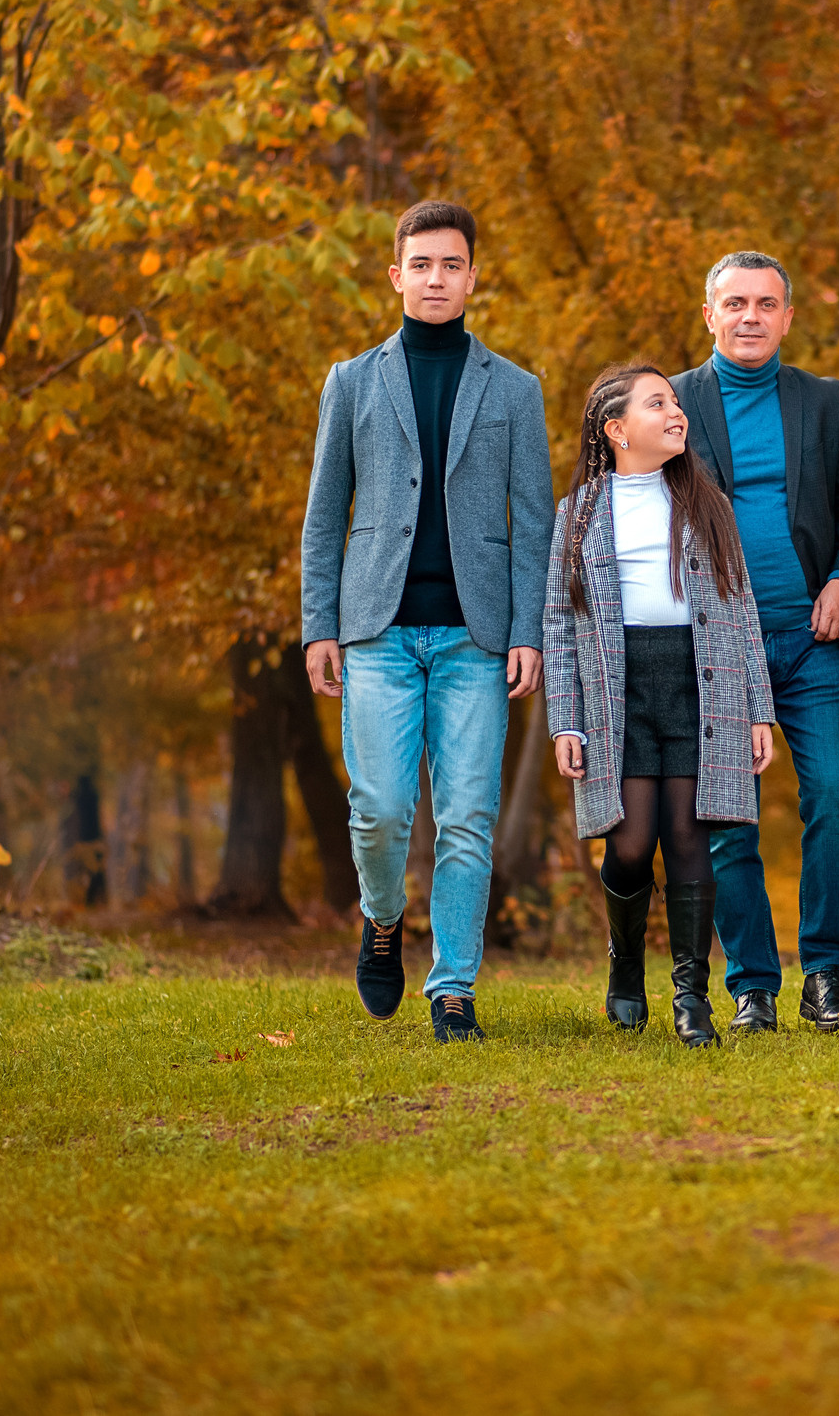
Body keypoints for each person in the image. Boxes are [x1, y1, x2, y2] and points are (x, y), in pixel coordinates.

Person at [300, 200, 555, 1045]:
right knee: (376, 807)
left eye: (452, 265)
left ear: (473, 276)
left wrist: (529, 630)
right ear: (396, 274)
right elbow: (324, 511)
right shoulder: (351, 380)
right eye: (422, 264)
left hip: (475, 638)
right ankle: (381, 916)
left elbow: (534, 521)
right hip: (374, 628)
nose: (437, 278)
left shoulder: (516, 390)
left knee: (467, 816)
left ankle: (453, 987)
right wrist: (318, 624)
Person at [544, 365, 778, 1048]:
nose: (676, 411)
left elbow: (742, 610)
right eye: (658, 403)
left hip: (700, 681)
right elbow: (559, 621)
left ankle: (690, 994)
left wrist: (758, 707)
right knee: (630, 841)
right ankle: (624, 962)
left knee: (688, 837)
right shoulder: (580, 511)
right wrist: (566, 717)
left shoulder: (709, 504)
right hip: (618, 691)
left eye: (675, 402)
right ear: (616, 430)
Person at [668, 252, 839, 1035]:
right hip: (716, 648)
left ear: (787, 317)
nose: (750, 316)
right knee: (730, 820)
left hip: (812, 639)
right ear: (710, 313)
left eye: (766, 303)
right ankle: (752, 985)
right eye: (735, 303)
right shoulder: (675, 400)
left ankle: (829, 975)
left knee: (837, 798)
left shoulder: (822, 401)